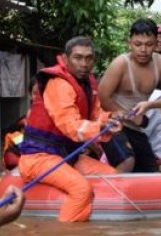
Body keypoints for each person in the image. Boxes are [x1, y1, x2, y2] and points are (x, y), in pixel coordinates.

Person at [18, 36, 122, 222]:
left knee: (112, 175)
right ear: (65, 59)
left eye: (89, 58)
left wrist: (111, 119)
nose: (84, 63)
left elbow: (96, 117)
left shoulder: (88, 83)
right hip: (39, 157)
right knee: (81, 189)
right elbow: (70, 125)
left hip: (66, 155)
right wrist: (101, 126)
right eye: (78, 57)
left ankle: (85, 220)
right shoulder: (58, 83)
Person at [99, 18, 161, 172]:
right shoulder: (120, 64)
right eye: (138, 44)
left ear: (156, 43)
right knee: (127, 162)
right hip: (114, 124)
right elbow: (103, 97)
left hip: (138, 125)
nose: (143, 50)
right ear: (129, 42)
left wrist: (150, 105)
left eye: (149, 44)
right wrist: (125, 114)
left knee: (150, 169)